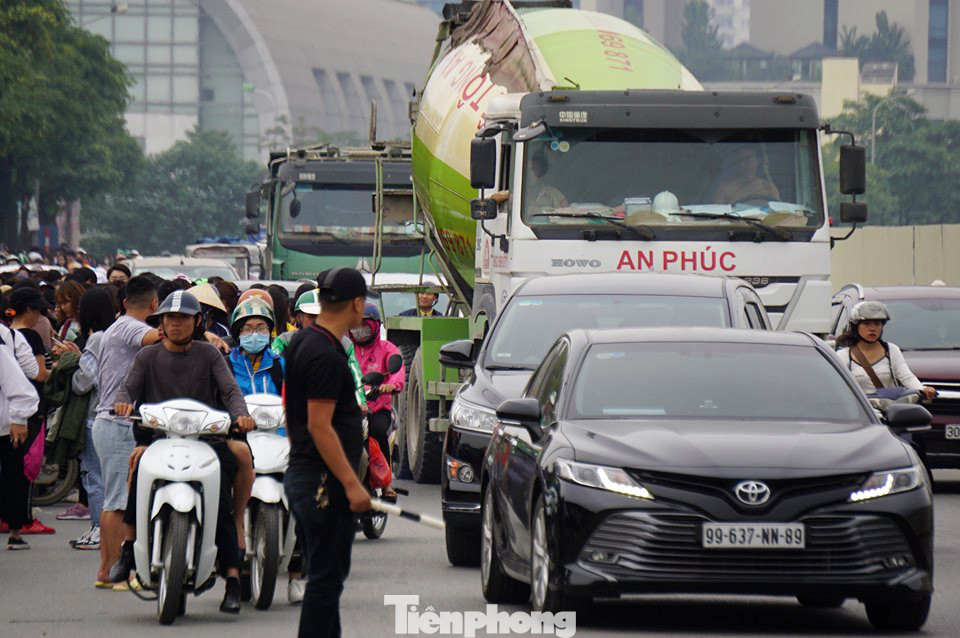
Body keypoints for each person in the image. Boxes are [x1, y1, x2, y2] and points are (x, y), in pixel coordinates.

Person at [109, 290, 254, 613]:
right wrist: (122, 402)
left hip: (207, 442)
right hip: (158, 438)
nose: (175, 324)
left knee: (220, 499)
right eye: (170, 319)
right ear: (160, 322)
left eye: (183, 319)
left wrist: (240, 414)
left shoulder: (209, 355)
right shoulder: (147, 357)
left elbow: (230, 390)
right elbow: (127, 387)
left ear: (196, 322)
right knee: (138, 466)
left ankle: (232, 576)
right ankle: (129, 549)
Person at [284, 267, 372, 638]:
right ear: (356, 303)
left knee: (329, 579)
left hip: (309, 476)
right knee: (323, 581)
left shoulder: (308, 340)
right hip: (322, 483)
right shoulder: (324, 353)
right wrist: (352, 485)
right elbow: (320, 425)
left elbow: (296, 416)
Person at [91, 275, 162, 589]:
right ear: (154, 304)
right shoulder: (135, 328)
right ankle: (119, 572)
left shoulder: (116, 326)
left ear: (123, 301)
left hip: (109, 423)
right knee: (119, 502)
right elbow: (158, 339)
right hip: (119, 424)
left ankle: (107, 571)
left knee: (113, 500)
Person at [51, 288, 117, 550]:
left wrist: (73, 359)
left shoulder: (96, 339)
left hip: (94, 415)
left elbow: (82, 382)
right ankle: (100, 528)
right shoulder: (113, 334)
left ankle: (99, 529)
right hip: (111, 414)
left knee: (93, 476)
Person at [4, 286, 55, 536]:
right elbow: (38, 374)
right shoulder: (25, 338)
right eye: (39, 310)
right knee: (21, 468)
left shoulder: (9, 334)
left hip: (10, 411)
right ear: (30, 310)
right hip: (21, 413)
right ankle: (20, 522)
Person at [348, 303, 405, 496]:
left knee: (378, 431)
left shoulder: (387, 348)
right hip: (350, 407)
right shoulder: (345, 348)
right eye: (356, 324)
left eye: (365, 324)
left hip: (377, 408)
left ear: (376, 325)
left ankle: (386, 481)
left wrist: (391, 385)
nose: (360, 329)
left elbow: (397, 372)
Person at [835, 301, 936, 401]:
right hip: (861, 413)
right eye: (866, 323)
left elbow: (907, 377)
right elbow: (838, 389)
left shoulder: (892, 350)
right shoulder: (842, 355)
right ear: (855, 326)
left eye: (877, 324)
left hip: (890, 412)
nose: (872, 328)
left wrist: (922, 389)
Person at [0, 331, 40, 549]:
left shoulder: (5, 338)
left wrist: (18, 417)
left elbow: (21, 385)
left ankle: (15, 529)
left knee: (13, 475)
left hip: (6, 420)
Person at [711, 145, 781, 205]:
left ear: (757, 162)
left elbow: (779, 215)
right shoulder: (725, 189)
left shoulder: (769, 188)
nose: (746, 165)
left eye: (749, 159)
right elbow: (718, 217)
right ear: (737, 164)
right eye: (741, 160)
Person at [272, 288, 320, 355]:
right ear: (299, 318)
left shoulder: (336, 342)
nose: (317, 321)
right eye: (312, 316)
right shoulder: (283, 341)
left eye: (322, 317)